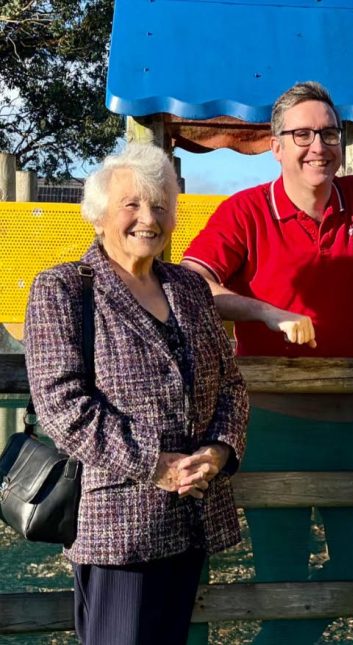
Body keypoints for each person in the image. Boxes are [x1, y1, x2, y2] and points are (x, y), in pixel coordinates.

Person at [181, 81, 353, 642]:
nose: (319, 145)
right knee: (281, 576)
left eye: (330, 133)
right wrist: (263, 311)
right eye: (304, 134)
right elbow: (192, 284)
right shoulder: (244, 212)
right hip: (273, 427)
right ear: (276, 145)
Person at [24, 143, 249, 645]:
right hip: (117, 526)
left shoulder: (188, 289)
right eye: (133, 204)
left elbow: (231, 383)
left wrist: (218, 452)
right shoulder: (62, 289)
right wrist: (159, 465)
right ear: (100, 215)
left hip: (192, 512)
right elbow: (64, 407)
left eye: (161, 204)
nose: (149, 217)